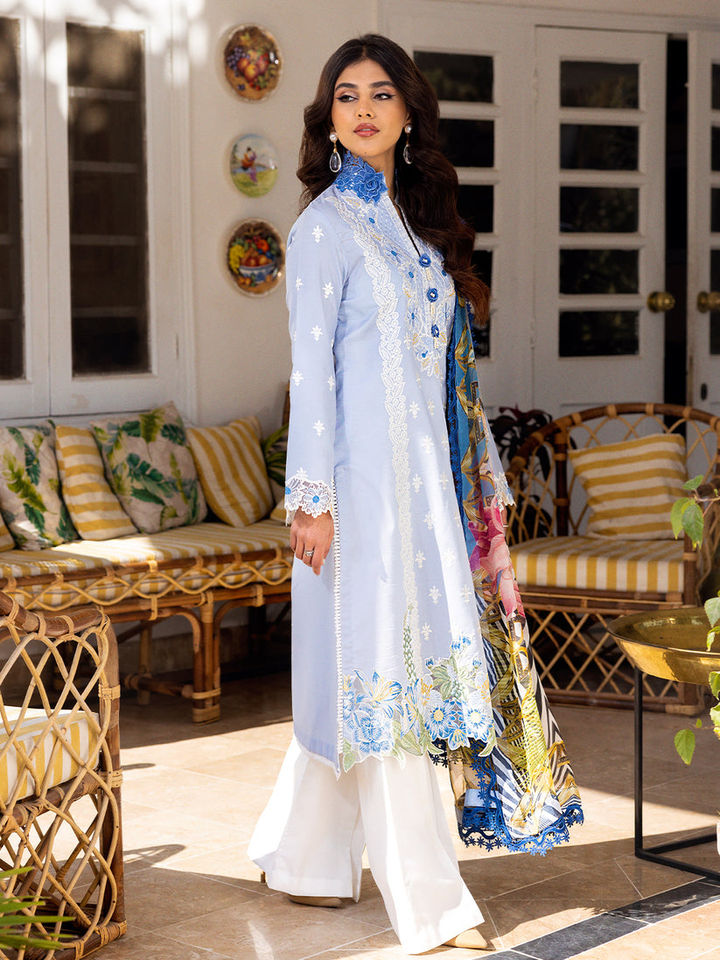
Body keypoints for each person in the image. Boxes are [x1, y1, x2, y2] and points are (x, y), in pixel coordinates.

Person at [248, 34, 583, 955]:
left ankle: (305, 862)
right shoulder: (324, 231)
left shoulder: (416, 228)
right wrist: (310, 500)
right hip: (357, 501)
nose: (363, 109)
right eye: (346, 96)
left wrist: (472, 487)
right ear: (330, 119)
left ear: (408, 114)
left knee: (371, 680)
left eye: (381, 94)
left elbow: (442, 382)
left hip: (425, 496)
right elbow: (311, 375)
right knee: (384, 685)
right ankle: (433, 906)